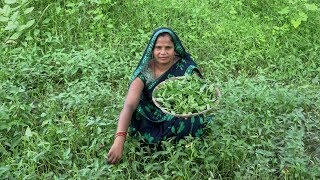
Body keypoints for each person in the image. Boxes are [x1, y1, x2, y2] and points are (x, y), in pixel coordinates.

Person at [107, 27, 207, 164]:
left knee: (192, 120)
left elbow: (199, 92)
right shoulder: (146, 70)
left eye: (168, 48)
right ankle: (152, 143)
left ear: (175, 48)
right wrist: (119, 139)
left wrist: (188, 110)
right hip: (152, 116)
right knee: (137, 107)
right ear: (152, 50)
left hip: (178, 114)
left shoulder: (185, 66)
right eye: (158, 48)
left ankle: (180, 148)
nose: (163, 52)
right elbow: (129, 105)